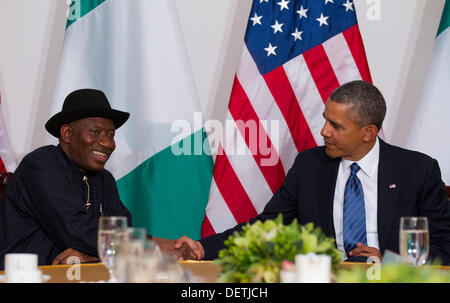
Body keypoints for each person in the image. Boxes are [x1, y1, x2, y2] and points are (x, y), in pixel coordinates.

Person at [174, 80, 450, 265]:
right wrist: (204, 248)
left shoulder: (417, 170)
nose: (324, 132)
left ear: (369, 133)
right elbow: (266, 227)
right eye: (325, 120)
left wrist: (389, 261)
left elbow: (443, 246)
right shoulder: (310, 165)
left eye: (337, 126)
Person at [0, 89, 132, 269]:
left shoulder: (104, 179)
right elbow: (77, 231)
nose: (108, 144)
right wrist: (159, 247)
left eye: (111, 135)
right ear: (67, 133)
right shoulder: (41, 164)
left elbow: (124, 232)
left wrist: (90, 257)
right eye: (96, 132)